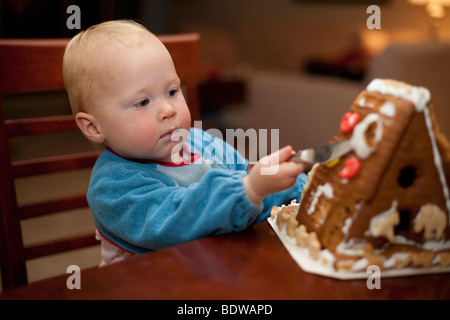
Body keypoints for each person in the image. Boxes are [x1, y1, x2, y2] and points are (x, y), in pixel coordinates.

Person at [63, 20, 306, 266]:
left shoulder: (201, 142)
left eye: (172, 91)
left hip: (218, 269)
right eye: (143, 102)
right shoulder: (112, 188)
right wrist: (250, 188)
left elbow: (252, 191)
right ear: (94, 127)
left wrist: (303, 188)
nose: (168, 110)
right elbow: (178, 222)